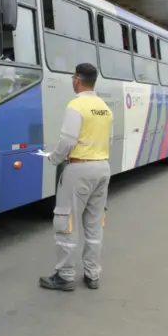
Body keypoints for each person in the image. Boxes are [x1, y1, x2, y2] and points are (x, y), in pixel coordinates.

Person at [39, 63, 113, 291]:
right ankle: (92, 274)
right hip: (102, 168)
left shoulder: (76, 105)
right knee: (94, 225)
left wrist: (54, 157)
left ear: (78, 80)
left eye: (73, 78)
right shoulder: (105, 108)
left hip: (79, 169)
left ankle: (65, 275)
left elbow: (68, 141)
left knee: (66, 222)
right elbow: (108, 140)